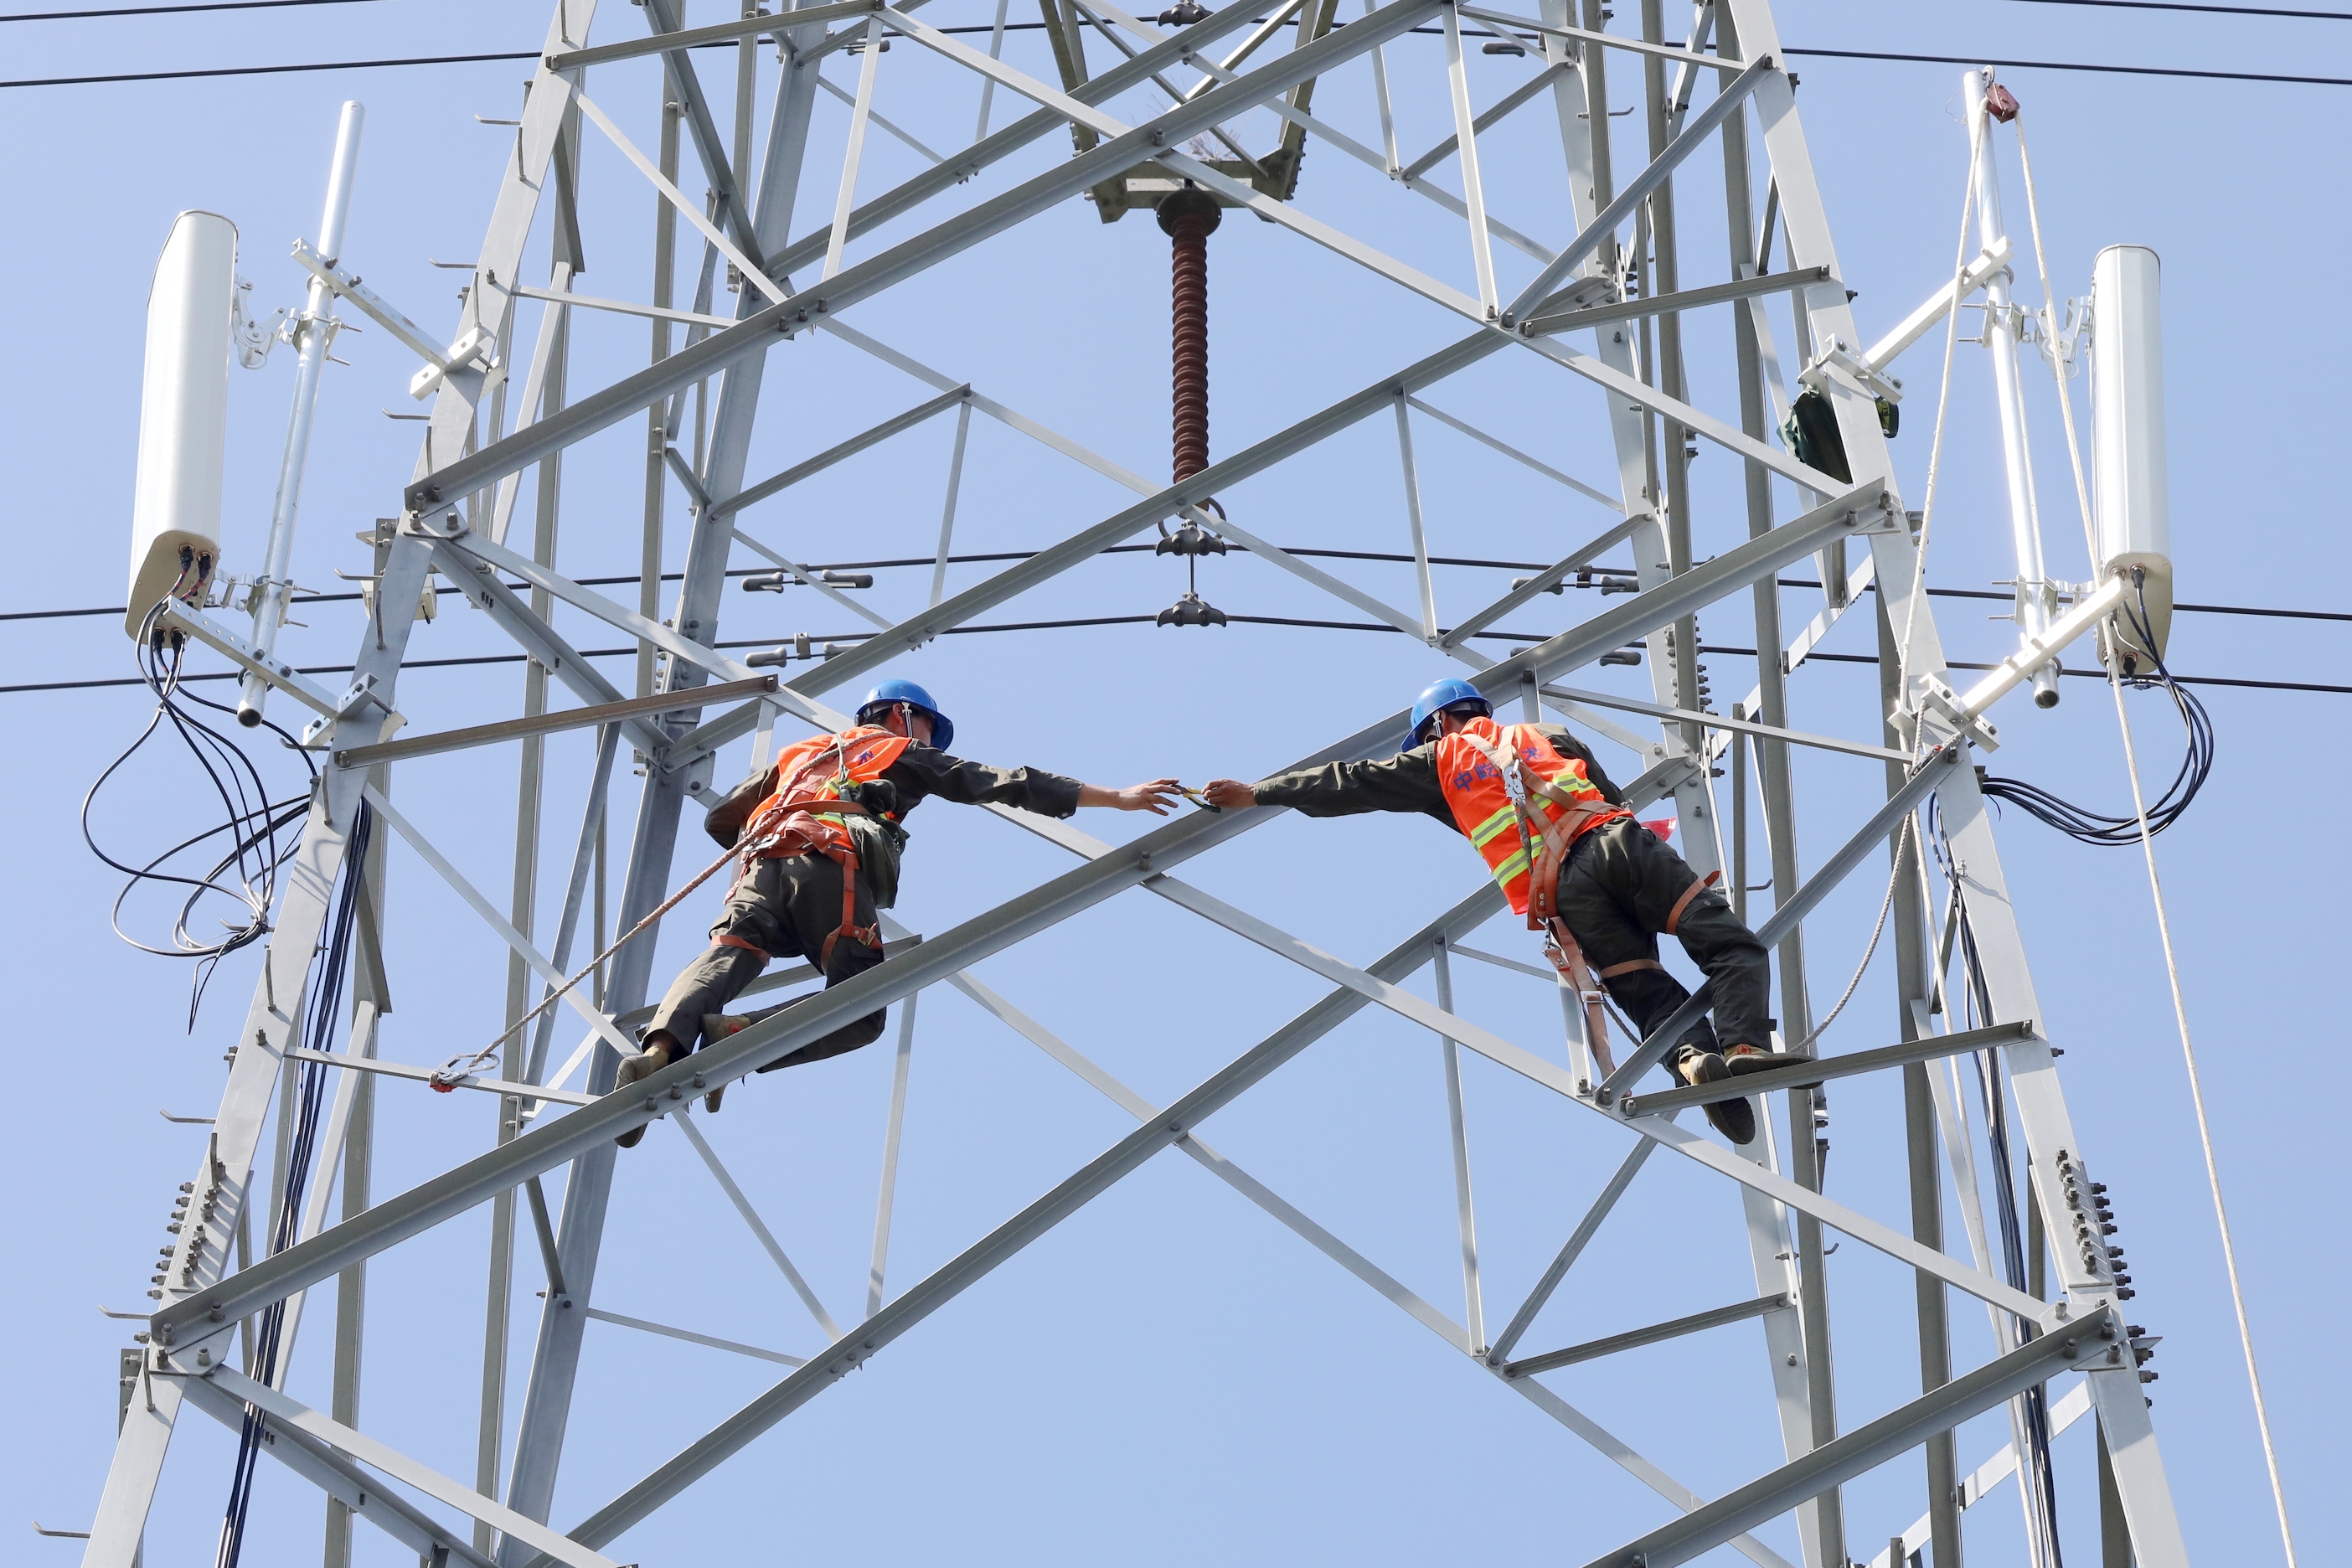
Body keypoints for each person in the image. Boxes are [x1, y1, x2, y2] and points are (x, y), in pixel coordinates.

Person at [1200, 678, 1798, 1144]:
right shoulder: (1550, 736)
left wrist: (1260, 792)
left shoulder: (1435, 764)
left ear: (1437, 724)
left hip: (1565, 898)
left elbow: (1351, 782)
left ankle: (1694, 1062)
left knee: (1645, 994)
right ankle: (1743, 1049)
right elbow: (1613, 801)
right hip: (1616, 845)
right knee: (1727, 946)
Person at [611, 678, 1181, 1147]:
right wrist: (1115, 797)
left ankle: (662, 1046)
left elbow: (722, 822)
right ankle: (736, 1036)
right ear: (904, 714)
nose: (931, 735)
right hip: (827, 863)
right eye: (930, 725)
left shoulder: (797, 755)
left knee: (730, 953)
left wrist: (776, 827)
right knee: (860, 1009)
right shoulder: (895, 749)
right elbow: (997, 783)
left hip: (758, 869)